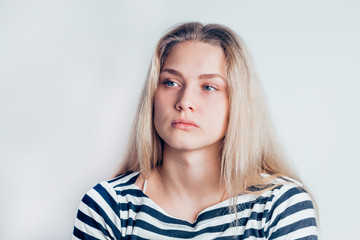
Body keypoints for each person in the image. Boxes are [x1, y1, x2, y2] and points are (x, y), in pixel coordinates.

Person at [72, 22, 318, 239]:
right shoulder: (108, 205)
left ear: (237, 103)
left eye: (208, 87)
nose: (184, 101)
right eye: (171, 82)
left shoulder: (280, 204)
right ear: (153, 95)